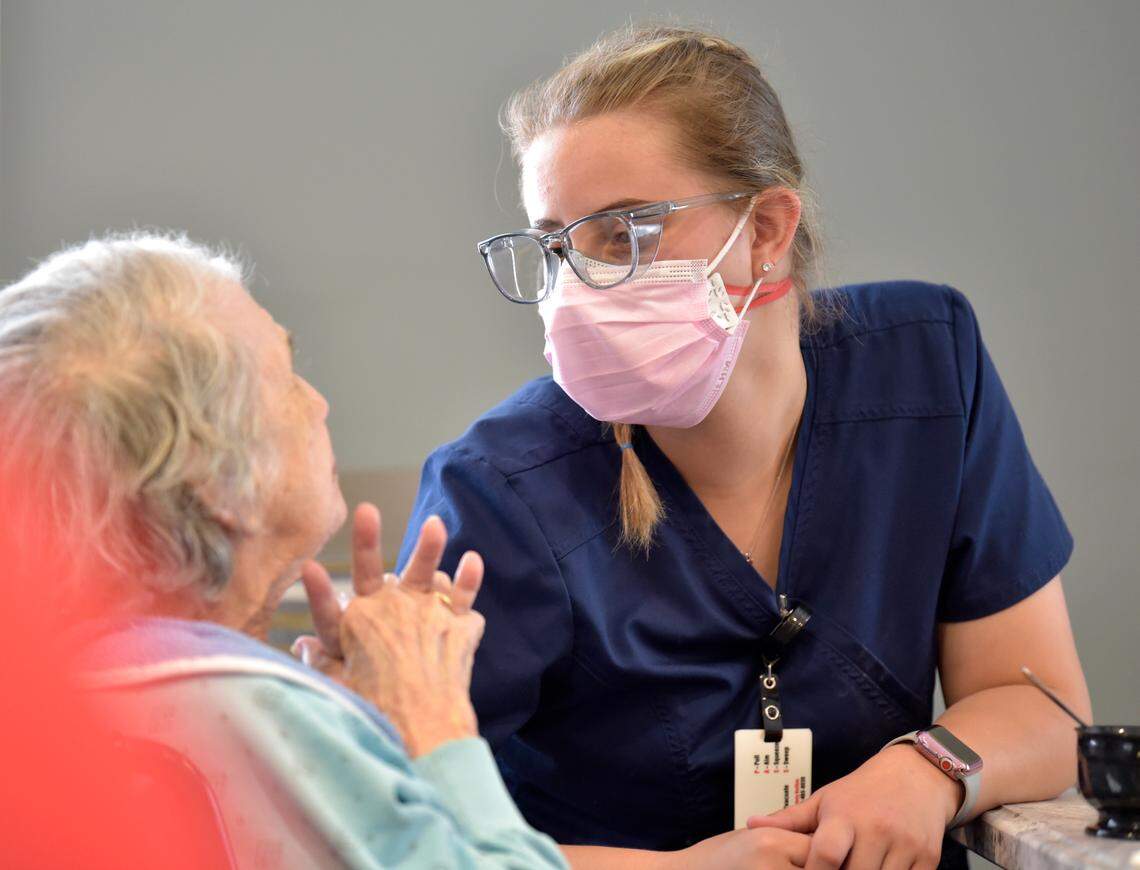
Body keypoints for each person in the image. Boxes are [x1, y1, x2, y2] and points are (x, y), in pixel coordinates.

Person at [400, 24, 1092, 869]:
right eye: (556, 246)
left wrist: (928, 770)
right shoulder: (498, 492)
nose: (577, 291)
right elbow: (395, 832)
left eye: (627, 233)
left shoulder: (924, 371)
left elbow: (1042, 710)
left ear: (766, 230)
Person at [0, 233, 568, 868]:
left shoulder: (59, 694)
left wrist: (353, 725)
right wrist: (431, 717)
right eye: (288, 376)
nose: (319, 402)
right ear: (216, 484)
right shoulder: (242, 708)